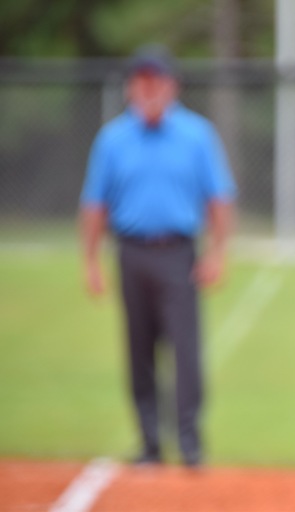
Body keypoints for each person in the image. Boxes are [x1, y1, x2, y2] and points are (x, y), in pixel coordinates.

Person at [79, 44, 236, 468]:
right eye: (141, 81)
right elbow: (95, 204)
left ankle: (189, 444)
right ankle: (150, 444)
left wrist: (217, 253)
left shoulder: (196, 134)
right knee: (138, 350)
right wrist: (91, 261)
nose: (149, 89)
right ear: (131, 87)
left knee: (185, 351)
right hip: (131, 253)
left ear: (172, 86)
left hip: (179, 253)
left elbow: (219, 198)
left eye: (156, 81)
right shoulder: (112, 138)